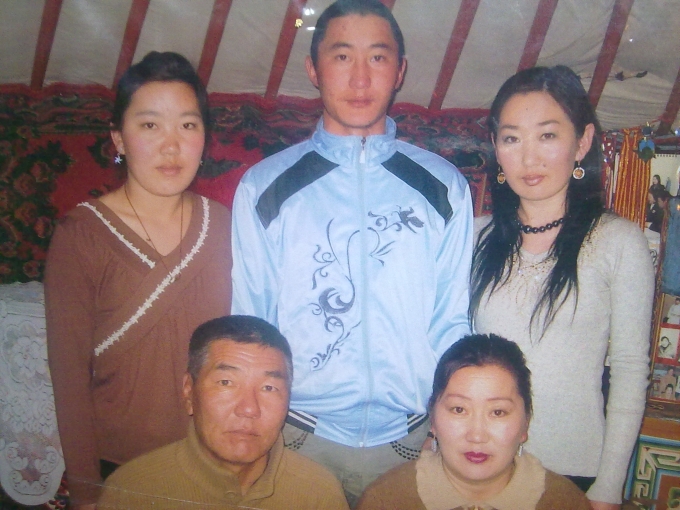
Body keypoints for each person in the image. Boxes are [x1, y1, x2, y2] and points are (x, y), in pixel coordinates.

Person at [231, 0, 473, 503]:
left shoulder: (443, 186)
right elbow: (251, 322)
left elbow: (452, 319)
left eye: (378, 58)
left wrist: (448, 424)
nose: (360, 78)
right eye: (342, 57)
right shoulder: (264, 187)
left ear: (400, 71)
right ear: (313, 69)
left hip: (414, 441)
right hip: (298, 437)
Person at [44, 52, 232, 508]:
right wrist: (86, 493)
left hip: (213, 464)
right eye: (150, 125)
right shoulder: (81, 236)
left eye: (187, 125)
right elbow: (69, 378)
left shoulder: (226, 226)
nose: (171, 146)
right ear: (119, 138)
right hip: (120, 471)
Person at [470, 65, 654, 508]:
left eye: (547, 136)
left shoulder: (617, 241)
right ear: (496, 147)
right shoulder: (475, 237)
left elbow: (630, 370)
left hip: (572, 471)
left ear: (583, 142)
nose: (528, 158)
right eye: (511, 139)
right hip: (478, 465)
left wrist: (608, 488)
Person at [98, 316, 349, 510]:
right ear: (189, 392)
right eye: (226, 383)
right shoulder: (131, 491)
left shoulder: (318, 494)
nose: (249, 409)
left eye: (268, 388)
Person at [356, 334, 591, 509]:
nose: (477, 435)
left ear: (525, 423)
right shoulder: (386, 500)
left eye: (498, 412)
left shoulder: (564, 502)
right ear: (433, 419)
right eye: (459, 409)